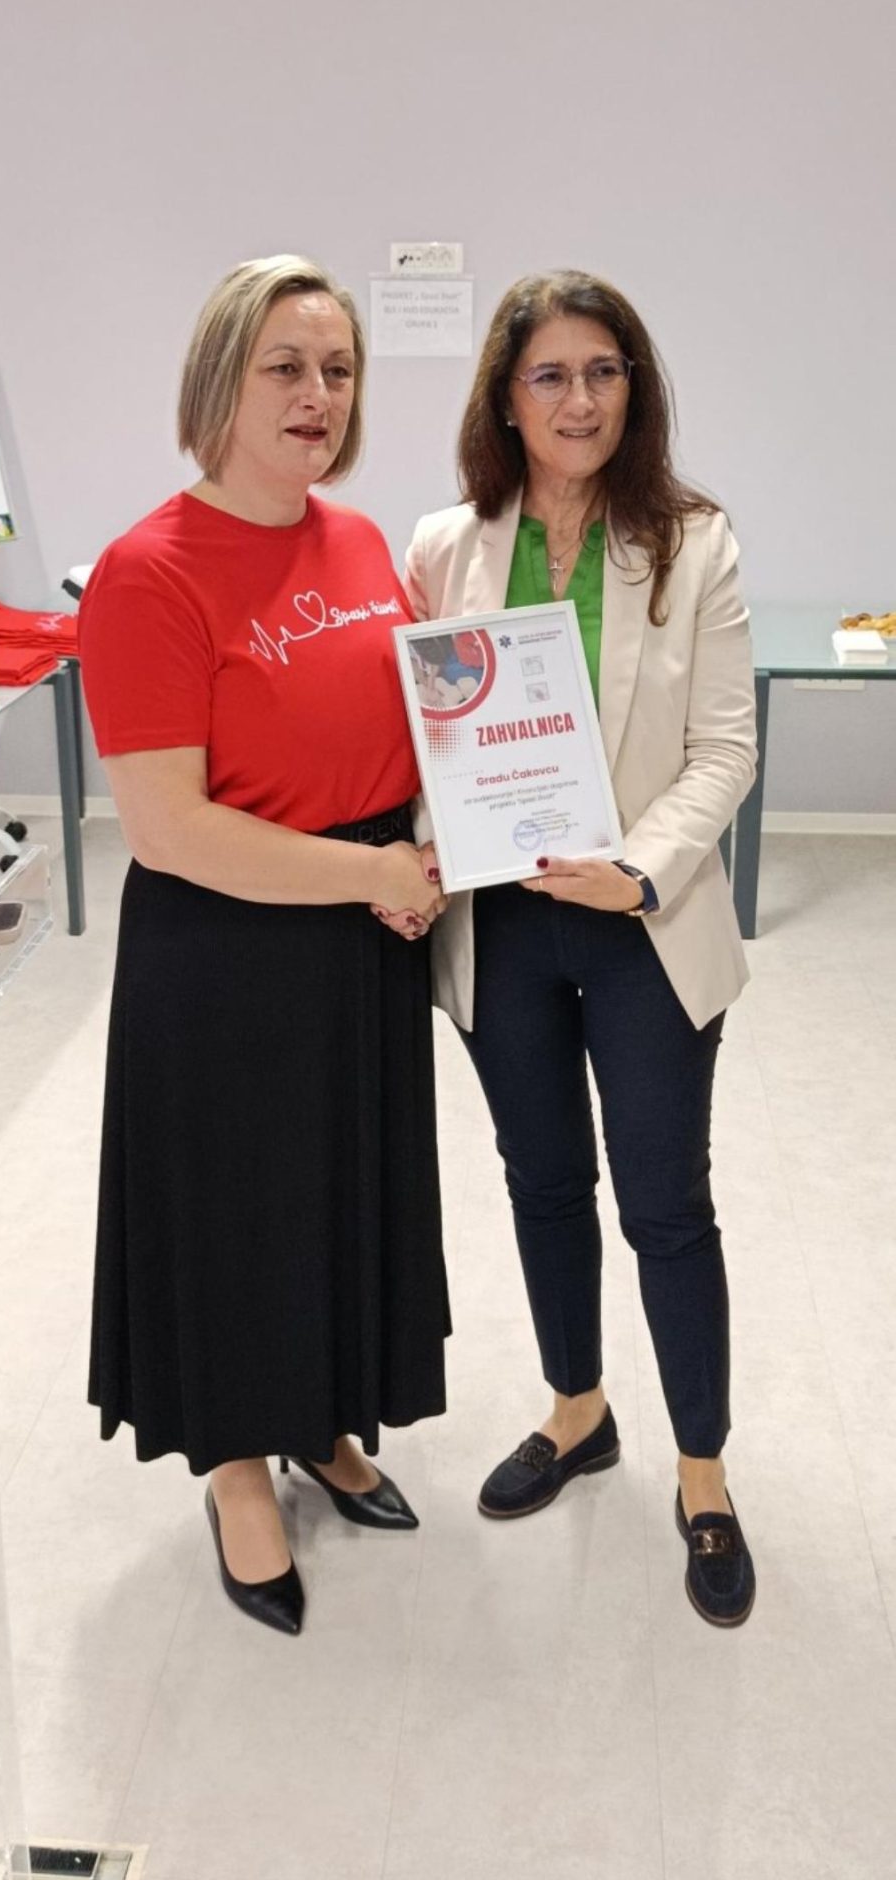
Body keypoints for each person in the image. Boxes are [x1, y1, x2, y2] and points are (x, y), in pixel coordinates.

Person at [78, 255, 449, 1637]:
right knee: (237, 1209)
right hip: (226, 950)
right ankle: (238, 1463)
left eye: (338, 370)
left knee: (338, 1191)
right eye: (284, 367)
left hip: (362, 938)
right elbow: (169, 827)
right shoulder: (148, 571)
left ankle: (323, 1420)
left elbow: (407, 731)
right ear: (220, 382)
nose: (317, 395)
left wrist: (428, 853)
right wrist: (370, 874)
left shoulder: (360, 543)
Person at [403, 270, 758, 1627]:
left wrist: (638, 869)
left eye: (604, 371)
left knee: (665, 1204)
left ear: (635, 387)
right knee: (543, 1182)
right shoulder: (447, 543)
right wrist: (430, 845)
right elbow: (426, 741)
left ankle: (703, 1471)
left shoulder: (695, 541)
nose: (580, 399)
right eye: (549, 374)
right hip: (505, 928)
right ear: (506, 395)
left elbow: (724, 748)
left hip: (642, 926)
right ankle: (578, 1410)